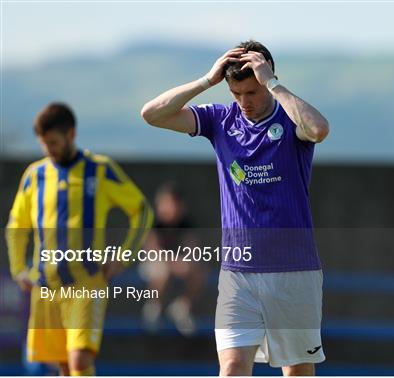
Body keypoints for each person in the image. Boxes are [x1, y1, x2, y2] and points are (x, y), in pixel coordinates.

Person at [141, 40, 329, 376]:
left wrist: (273, 83)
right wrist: (206, 81)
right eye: (236, 93)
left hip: (293, 271)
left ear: (268, 78)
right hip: (237, 272)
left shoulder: (290, 118)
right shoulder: (219, 120)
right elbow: (152, 114)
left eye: (252, 92)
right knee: (230, 368)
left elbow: (319, 129)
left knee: (297, 371)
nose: (244, 102)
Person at [6, 103, 153, 376]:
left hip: (86, 283)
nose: (48, 149)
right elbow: (17, 225)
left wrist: (123, 257)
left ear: (71, 134)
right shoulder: (34, 175)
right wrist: (18, 269)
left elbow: (141, 211)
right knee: (62, 366)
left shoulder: (100, 170)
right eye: (44, 144)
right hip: (46, 286)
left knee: (79, 360)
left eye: (53, 142)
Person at [139, 182, 208, 336]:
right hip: (152, 265)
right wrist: (174, 262)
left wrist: (184, 263)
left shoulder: (187, 223)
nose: (170, 208)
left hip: (177, 264)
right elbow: (152, 252)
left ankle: (181, 307)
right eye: (166, 203)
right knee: (161, 270)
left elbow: (193, 251)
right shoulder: (152, 222)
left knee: (199, 271)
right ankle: (153, 308)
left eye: (173, 204)